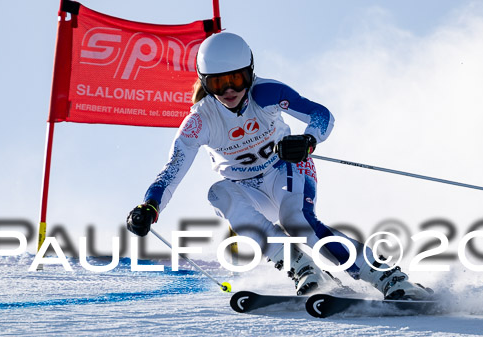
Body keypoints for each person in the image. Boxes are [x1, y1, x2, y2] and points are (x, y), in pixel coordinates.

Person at [127, 32, 431, 300]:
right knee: (218, 193)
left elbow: (321, 114)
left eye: (237, 79)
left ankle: (389, 278)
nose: (230, 90)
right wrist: (150, 206)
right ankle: (303, 267)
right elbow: (172, 170)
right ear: (206, 83)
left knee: (296, 220)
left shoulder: (267, 93)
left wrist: (308, 140)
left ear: (250, 73)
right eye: (219, 83)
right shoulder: (199, 121)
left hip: (285, 171)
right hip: (247, 191)